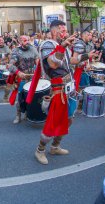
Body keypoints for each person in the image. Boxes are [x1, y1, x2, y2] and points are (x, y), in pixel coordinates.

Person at [27, 20, 76, 165]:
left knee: (69, 119)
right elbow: (53, 63)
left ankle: (55, 146)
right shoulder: (48, 45)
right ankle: (40, 150)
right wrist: (64, 45)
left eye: (66, 31)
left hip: (69, 88)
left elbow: (70, 60)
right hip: (58, 89)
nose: (65, 34)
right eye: (62, 31)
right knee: (52, 122)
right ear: (54, 31)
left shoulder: (61, 47)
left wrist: (86, 57)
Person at [8, 35, 38, 124]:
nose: (27, 42)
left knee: (33, 97)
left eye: (28, 40)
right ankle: (18, 115)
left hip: (32, 77)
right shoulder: (16, 51)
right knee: (21, 98)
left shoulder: (33, 49)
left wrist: (40, 72)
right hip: (22, 78)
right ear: (20, 42)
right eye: (25, 40)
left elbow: (38, 62)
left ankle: (28, 113)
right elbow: (10, 65)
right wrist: (18, 72)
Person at [71, 31, 98, 111]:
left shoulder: (86, 44)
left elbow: (86, 56)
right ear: (84, 35)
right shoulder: (79, 44)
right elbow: (75, 59)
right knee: (79, 89)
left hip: (84, 69)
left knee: (85, 88)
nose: (90, 36)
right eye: (89, 35)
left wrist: (88, 63)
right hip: (79, 70)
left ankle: (82, 105)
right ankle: (76, 107)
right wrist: (84, 64)